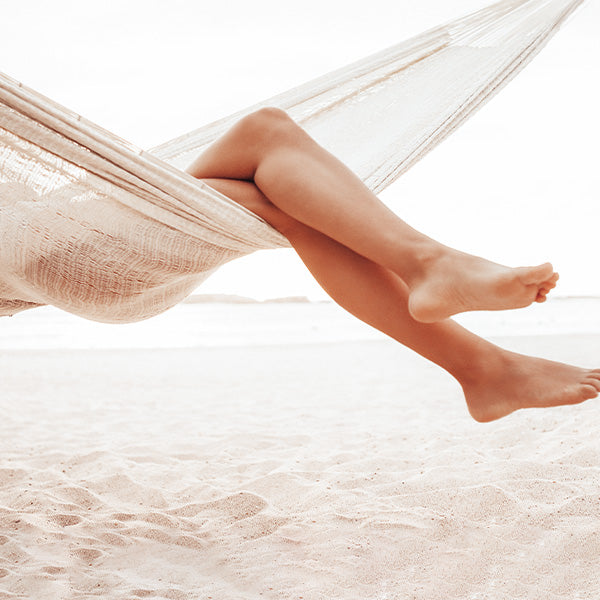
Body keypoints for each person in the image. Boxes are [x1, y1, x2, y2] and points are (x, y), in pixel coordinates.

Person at [185, 107, 600, 423]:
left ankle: (483, 364)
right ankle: (436, 278)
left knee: (292, 200)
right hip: (118, 222)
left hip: (127, 208)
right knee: (267, 133)